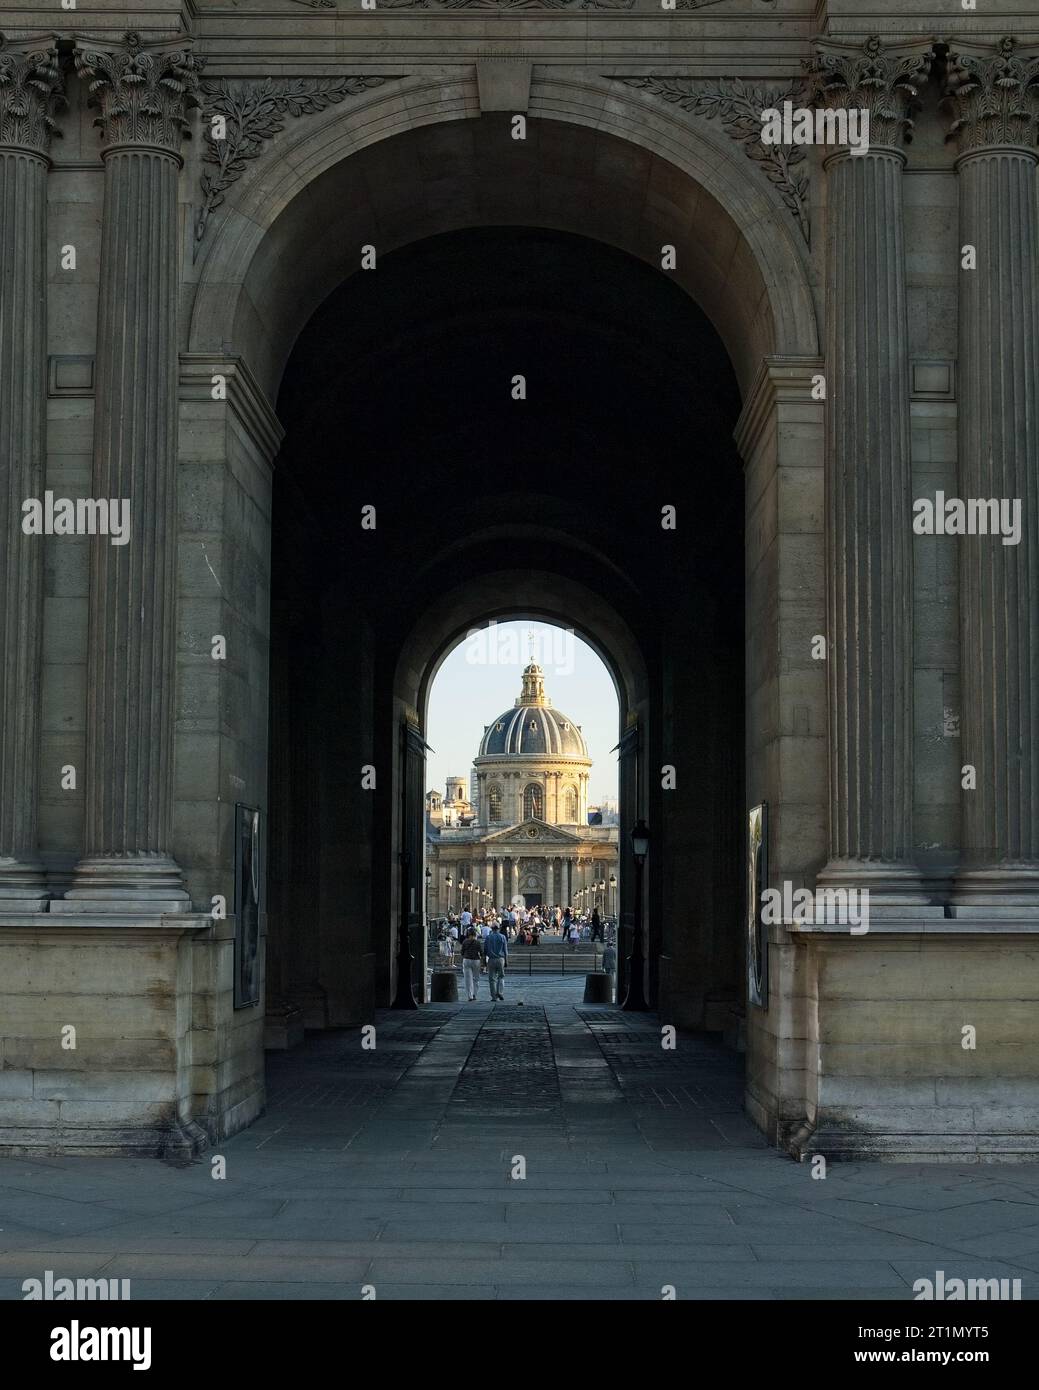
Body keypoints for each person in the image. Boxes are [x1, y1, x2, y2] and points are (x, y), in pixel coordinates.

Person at [484, 919, 509, 1000]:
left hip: (491, 959)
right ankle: (500, 992)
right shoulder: (503, 937)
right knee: (501, 976)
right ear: (498, 928)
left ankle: (494, 997)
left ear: (491, 928)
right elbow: (505, 950)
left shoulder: (488, 937)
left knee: (492, 979)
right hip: (501, 959)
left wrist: (484, 960)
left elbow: (485, 950)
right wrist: (506, 961)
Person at [460, 927, 485, 1001]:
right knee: (476, 979)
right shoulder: (477, 942)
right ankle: (475, 994)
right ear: (475, 934)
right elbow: (481, 953)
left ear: (468, 934)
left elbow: (462, 952)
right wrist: (484, 963)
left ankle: (470, 996)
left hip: (466, 960)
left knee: (468, 979)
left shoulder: (465, 941)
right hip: (476, 961)